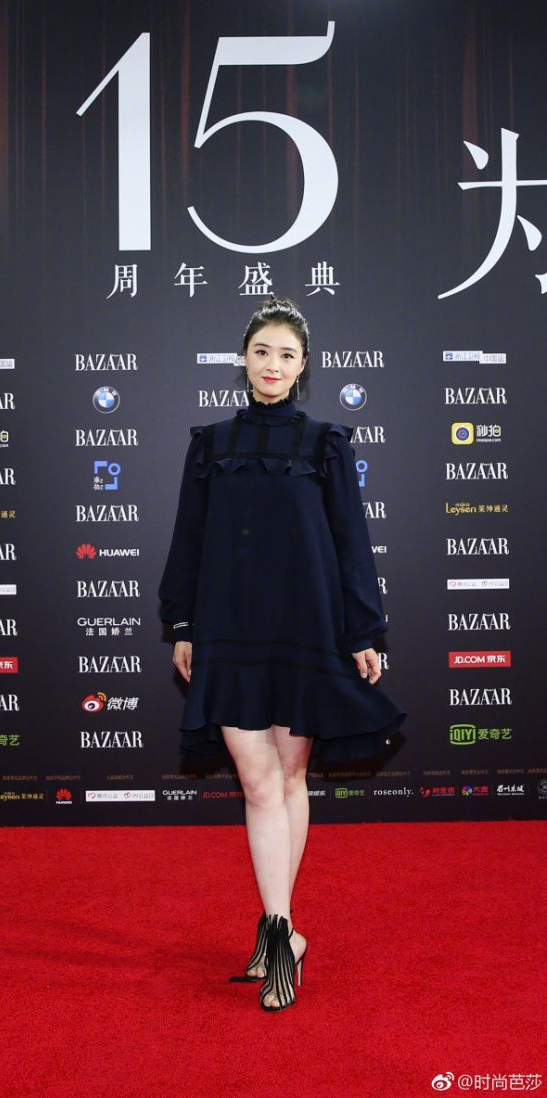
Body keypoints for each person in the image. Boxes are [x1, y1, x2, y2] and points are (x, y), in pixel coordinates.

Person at [158, 297, 406, 1013]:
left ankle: (279, 933)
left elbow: (351, 540)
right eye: (262, 351)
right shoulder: (210, 443)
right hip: (227, 627)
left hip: (306, 626)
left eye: (286, 355)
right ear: (244, 359)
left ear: (303, 368)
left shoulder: (325, 443)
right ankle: (282, 934)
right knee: (258, 781)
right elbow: (189, 537)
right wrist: (182, 623)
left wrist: (363, 630)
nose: (272, 365)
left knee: (290, 778)